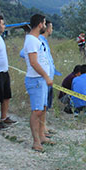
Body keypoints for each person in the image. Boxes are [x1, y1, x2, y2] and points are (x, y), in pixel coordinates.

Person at [21, 14, 54, 152]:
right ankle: (35, 141)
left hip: (41, 80)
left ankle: (41, 136)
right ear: (40, 24)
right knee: (37, 110)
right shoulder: (31, 41)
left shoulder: (36, 40)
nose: (46, 26)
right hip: (36, 80)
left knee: (43, 108)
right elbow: (34, 62)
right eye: (45, 23)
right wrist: (46, 76)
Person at [39, 20, 61, 138]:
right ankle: (41, 129)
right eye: (51, 27)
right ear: (47, 28)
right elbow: (24, 53)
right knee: (42, 105)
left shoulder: (45, 41)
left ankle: (44, 126)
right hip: (43, 78)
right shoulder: (38, 40)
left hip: (49, 78)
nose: (52, 30)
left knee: (46, 105)